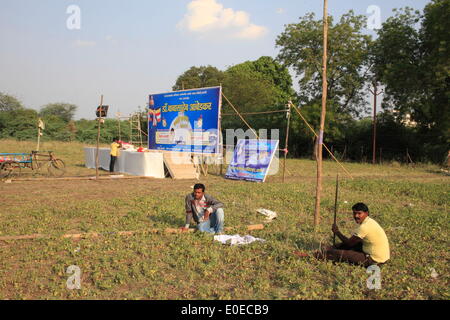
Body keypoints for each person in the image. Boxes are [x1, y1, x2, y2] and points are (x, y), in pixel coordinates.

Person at [314, 202, 390, 267]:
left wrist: (337, 232)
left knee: (340, 254)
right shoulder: (370, 221)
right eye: (354, 213)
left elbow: (349, 244)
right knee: (345, 245)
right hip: (381, 256)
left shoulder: (364, 227)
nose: (356, 216)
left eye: (359, 213)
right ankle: (329, 250)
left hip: (375, 260)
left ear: (366, 213)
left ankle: (314, 256)